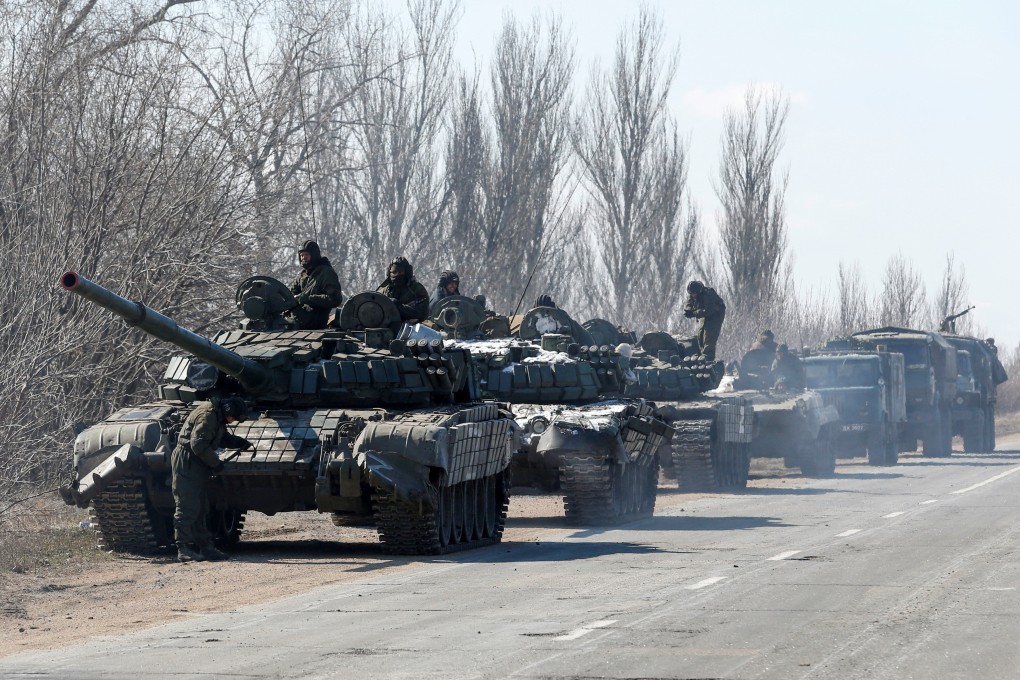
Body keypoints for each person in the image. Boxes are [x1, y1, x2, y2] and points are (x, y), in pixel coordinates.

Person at [172, 397, 252, 563]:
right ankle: (183, 548)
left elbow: (217, 437)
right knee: (187, 506)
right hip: (188, 460)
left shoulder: (217, 415)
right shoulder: (208, 415)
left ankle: (206, 547)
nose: (233, 421)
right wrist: (216, 464)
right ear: (228, 410)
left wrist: (237, 442)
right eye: (234, 417)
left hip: (197, 461)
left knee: (201, 507)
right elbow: (198, 444)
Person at [289, 240, 343, 330]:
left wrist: (309, 298)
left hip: (315, 322)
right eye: (301, 255)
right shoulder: (302, 275)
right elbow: (290, 295)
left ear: (314, 255)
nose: (303, 258)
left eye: (306, 255)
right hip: (296, 321)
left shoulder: (326, 273)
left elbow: (335, 299)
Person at [682, 280, 726, 360]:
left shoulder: (708, 294)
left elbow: (708, 310)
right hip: (704, 315)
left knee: (709, 336)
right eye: (691, 294)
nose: (693, 295)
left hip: (715, 315)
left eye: (694, 294)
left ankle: (708, 357)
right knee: (700, 335)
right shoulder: (693, 294)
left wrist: (693, 313)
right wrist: (688, 310)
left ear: (699, 291)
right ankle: (702, 355)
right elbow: (688, 303)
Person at [377, 256, 430, 322]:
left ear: (407, 272)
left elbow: (422, 313)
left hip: (410, 329)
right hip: (386, 328)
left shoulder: (416, 289)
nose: (397, 275)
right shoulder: (383, 292)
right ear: (389, 273)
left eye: (400, 272)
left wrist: (400, 308)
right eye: (394, 272)